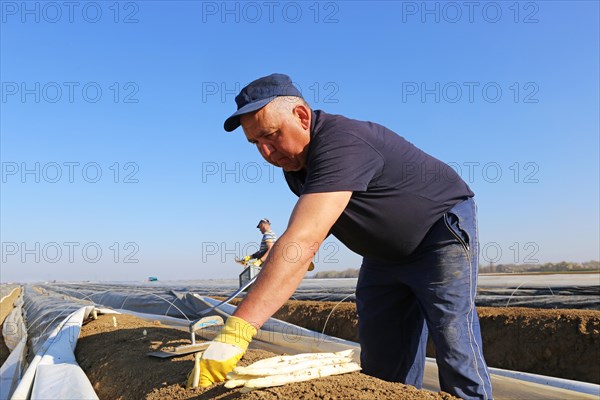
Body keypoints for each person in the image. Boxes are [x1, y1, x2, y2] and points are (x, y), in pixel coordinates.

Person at [193, 74, 493, 399]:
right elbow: (315, 228)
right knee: (381, 358)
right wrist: (295, 254)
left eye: (271, 135)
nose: (266, 152)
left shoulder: (342, 142)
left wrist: (236, 332)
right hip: (382, 254)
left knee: (454, 340)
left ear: (302, 116)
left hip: (438, 233)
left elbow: (303, 241)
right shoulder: (295, 167)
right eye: (256, 143)